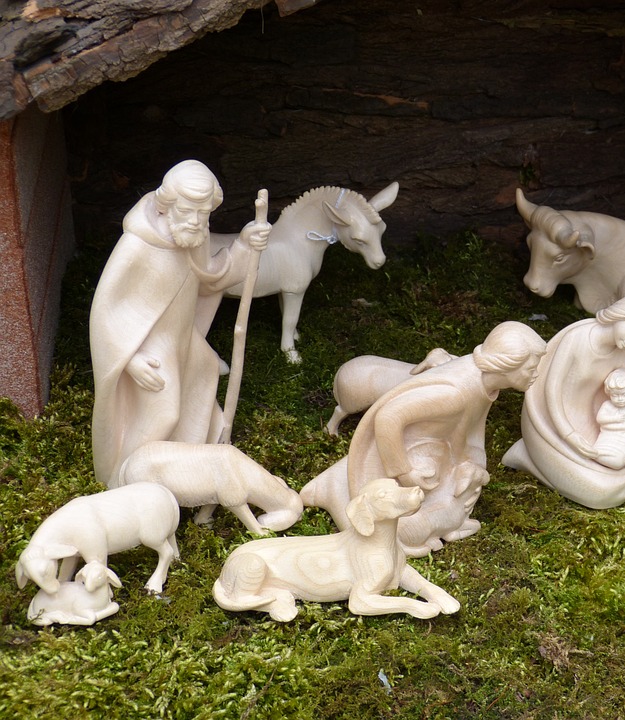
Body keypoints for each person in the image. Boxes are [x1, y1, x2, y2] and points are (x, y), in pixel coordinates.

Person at [89, 160, 270, 488]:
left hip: (183, 339)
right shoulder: (137, 245)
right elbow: (105, 310)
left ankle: (180, 473)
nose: (196, 221)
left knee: (202, 383)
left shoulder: (193, 237)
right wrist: (129, 359)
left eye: (204, 213)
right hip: (149, 345)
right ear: (166, 206)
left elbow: (209, 280)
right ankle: (124, 484)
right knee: (164, 412)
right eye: (187, 211)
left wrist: (244, 247)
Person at [300, 321, 547, 556]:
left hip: (436, 449)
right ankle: (334, 485)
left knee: (461, 500)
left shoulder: (485, 383)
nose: (536, 374)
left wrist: (473, 464)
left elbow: (472, 428)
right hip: (403, 452)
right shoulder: (454, 394)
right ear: (505, 365)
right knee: (405, 531)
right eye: (530, 368)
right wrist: (404, 471)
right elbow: (388, 417)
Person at [502, 292, 625, 509]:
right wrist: (569, 435)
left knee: (621, 483)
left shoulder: (624, 351)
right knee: (599, 491)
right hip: (552, 423)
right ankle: (528, 455)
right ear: (621, 314)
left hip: (594, 429)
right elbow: (551, 390)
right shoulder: (576, 339)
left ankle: (545, 463)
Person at [590, 369, 625, 470]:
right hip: (607, 435)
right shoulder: (607, 405)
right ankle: (599, 454)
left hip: (624, 438)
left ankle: (609, 459)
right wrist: (614, 419)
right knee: (599, 449)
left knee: (618, 461)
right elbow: (600, 419)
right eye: (615, 395)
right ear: (609, 394)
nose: (620, 399)